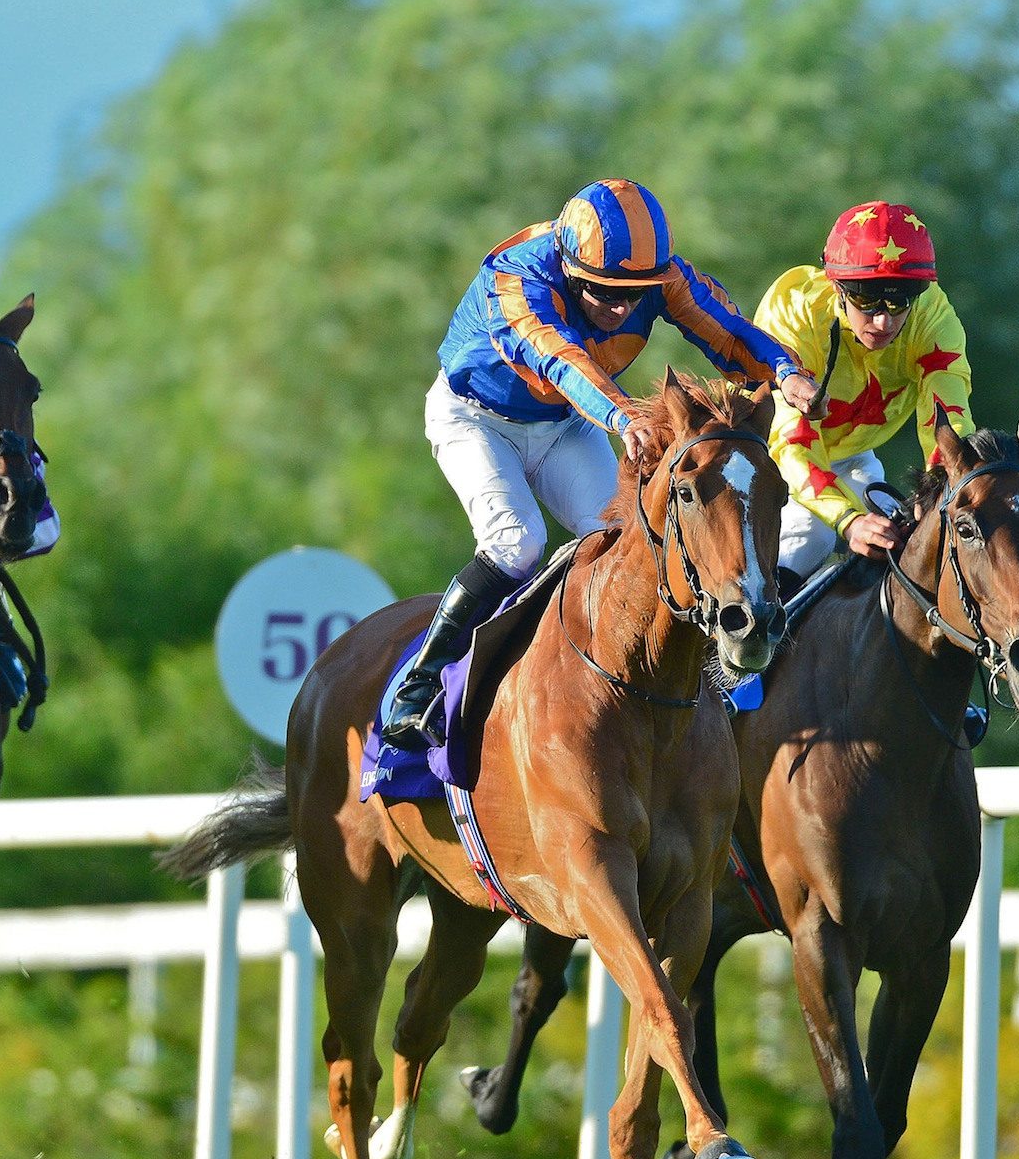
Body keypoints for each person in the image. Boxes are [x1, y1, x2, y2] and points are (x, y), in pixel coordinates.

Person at [381, 178, 818, 749]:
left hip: (562, 424)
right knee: (518, 545)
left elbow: (730, 334)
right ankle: (419, 687)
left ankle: (656, 682)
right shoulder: (515, 280)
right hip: (476, 419)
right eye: (603, 291)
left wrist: (783, 371)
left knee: (622, 542)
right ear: (567, 266)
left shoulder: (660, 278)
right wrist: (621, 418)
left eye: (635, 295)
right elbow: (562, 360)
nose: (621, 306)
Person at [752, 201, 974, 596]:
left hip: (853, 455)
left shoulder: (933, 318)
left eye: (898, 300)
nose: (884, 321)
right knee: (813, 534)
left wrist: (940, 487)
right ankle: (740, 649)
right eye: (866, 300)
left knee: (902, 537)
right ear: (836, 286)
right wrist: (849, 522)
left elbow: (949, 423)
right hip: (766, 454)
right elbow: (792, 444)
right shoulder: (796, 309)